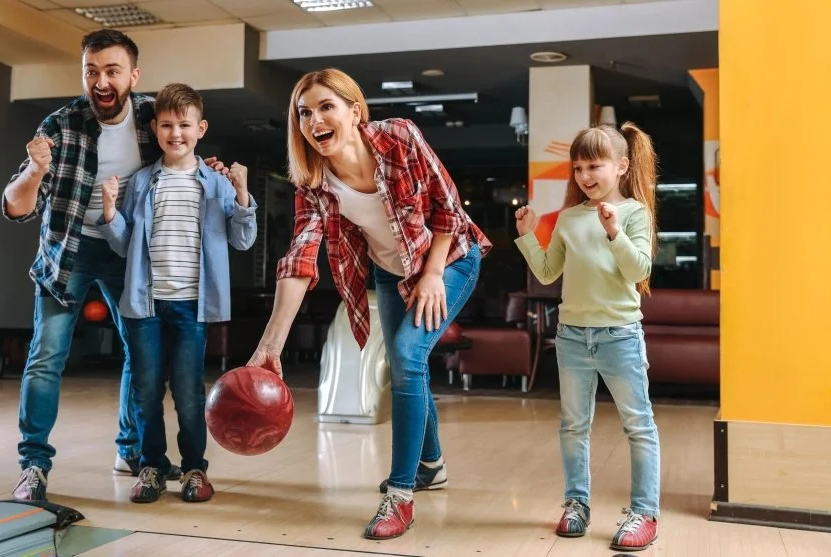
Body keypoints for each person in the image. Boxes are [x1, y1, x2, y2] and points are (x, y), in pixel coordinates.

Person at [246, 68, 492, 540]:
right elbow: (299, 262)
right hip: (391, 271)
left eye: (325, 107)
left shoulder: (399, 138)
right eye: (303, 113)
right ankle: (432, 465)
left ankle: (400, 496)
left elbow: (448, 207)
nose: (314, 120)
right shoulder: (313, 186)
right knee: (407, 365)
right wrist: (268, 347)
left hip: (452, 258)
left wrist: (434, 273)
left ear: (354, 111)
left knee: (406, 355)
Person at [1, 29, 226, 501]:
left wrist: (221, 179)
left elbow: (183, 151)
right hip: (70, 251)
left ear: (133, 76)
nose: (100, 81)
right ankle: (34, 466)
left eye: (111, 71)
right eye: (91, 71)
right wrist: (36, 169)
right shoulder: (59, 126)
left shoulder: (152, 115)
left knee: (138, 353)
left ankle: (131, 448)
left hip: (129, 252)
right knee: (46, 357)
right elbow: (16, 207)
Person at [98, 83, 257, 504]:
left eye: (184, 125)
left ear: (200, 128)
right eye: (167, 125)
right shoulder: (142, 182)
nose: (176, 134)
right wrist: (111, 210)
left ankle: (193, 470)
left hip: (192, 306)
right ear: (155, 128)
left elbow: (243, 240)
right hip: (144, 304)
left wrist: (242, 193)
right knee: (146, 390)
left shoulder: (217, 185)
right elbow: (123, 242)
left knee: (188, 392)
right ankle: (151, 466)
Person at [513, 122, 661, 551]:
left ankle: (643, 513)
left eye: (593, 165)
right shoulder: (569, 218)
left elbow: (639, 272)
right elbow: (546, 272)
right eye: (577, 167)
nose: (584, 176)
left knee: (639, 427)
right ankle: (576, 504)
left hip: (620, 336)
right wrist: (526, 234)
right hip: (573, 337)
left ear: (621, 166)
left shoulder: (635, 213)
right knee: (573, 426)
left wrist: (614, 231)